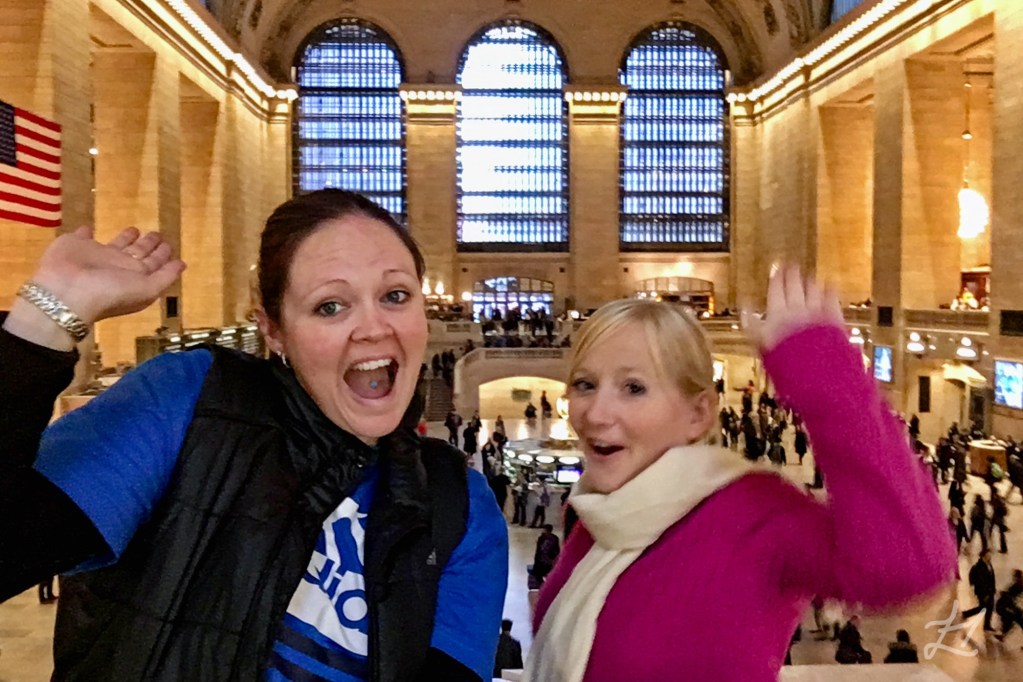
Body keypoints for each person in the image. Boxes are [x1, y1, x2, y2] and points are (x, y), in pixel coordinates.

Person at [1, 191, 509, 681]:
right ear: (273, 330)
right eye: (330, 306)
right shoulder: (191, 404)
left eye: (395, 295)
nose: (373, 327)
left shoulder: (458, 505)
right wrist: (43, 319)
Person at [523, 266, 955, 682]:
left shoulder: (752, 514)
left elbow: (911, 564)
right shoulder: (599, 517)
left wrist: (825, 375)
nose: (595, 413)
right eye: (584, 384)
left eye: (633, 388)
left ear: (698, 413)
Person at [963, 549, 997, 631]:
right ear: (983, 556)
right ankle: (967, 614)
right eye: (988, 555)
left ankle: (987, 625)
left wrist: (993, 589)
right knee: (983, 608)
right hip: (983, 593)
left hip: (990, 591)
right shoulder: (979, 567)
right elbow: (981, 583)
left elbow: (992, 578)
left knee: (989, 608)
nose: (990, 557)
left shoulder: (989, 564)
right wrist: (985, 594)